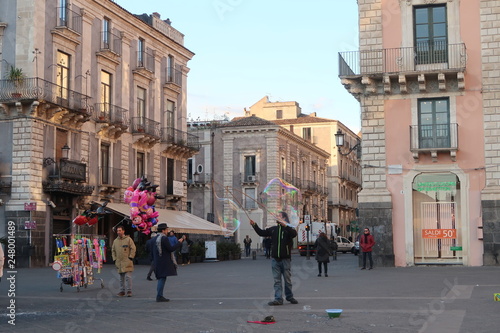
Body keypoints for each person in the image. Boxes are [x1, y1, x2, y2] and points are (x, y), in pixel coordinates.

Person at [250, 211, 298, 306]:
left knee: (287, 280)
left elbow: (294, 234)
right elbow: (261, 233)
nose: (277, 217)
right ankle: (278, 299)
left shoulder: (288, 229)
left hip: (285, 259)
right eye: (277, 216)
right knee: (277, 280)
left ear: (284, 218)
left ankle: (289, 297)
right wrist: (254, 225)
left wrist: (285, 226)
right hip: (275, 259)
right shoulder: (273, 229)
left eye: (279, 216)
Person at [150, 222, 184, 302]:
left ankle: (159, 295)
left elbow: (151, 251)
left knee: (160, 278)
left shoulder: (154, 239)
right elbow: (170, 248)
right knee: (162, 278)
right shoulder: (164, 238)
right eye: (166, 229)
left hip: (157, 261)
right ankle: (159, 296)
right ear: (163, 230)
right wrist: (179, 243)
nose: (167, 231)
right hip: (163, 261)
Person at [111, 225, 136, 297]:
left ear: (123, 231)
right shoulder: (115, 241)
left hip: (127, 261)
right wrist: (114, 259)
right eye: (117, 231)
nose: (118, 232)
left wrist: (131, 257)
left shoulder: (128, 239)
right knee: (121, 278)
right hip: (119, 262)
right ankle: (122, 291)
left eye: (120, 230)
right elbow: (113, 250)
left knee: (128, 277)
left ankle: (129, 291)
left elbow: (133, 248)